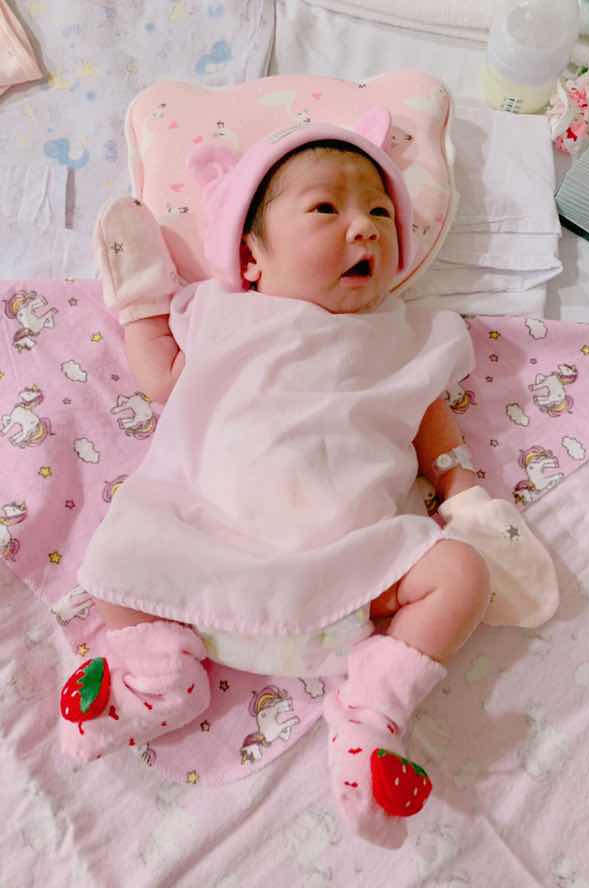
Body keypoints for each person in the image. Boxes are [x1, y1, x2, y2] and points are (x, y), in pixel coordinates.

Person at [59, 108, 556, 848]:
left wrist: (462, 492)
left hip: (348, 563)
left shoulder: (411, 334)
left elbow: (431, 425)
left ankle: (371, 714)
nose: (365, 229)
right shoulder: (225, 311)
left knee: (460, 574)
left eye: (381, 214)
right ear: (252, 257)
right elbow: (163, 377)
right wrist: (139, 300)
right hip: (207, 539)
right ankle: (159, 680)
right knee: (115, 555)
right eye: (326, 208)